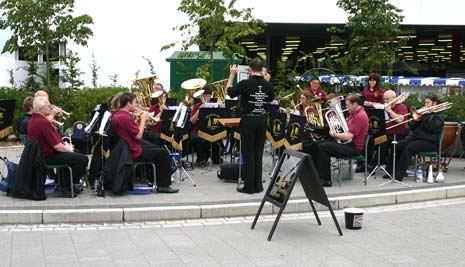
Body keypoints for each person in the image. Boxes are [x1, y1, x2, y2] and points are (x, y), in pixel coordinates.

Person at [111, 92, 178, 193]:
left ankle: (157, 175)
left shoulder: (118, 115)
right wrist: (143, 120)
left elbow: (132, 131)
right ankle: (163, 185)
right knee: (163, 153)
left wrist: (137, 122)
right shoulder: (125, 117)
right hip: (132, 149)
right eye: (134, 103)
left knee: (155, 148)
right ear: (128, 103)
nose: (136, 105)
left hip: (127, 146)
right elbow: (138, 135)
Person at [226, 57, 275, 194]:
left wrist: (232, 75)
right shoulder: (267, 84)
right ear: (262, 69)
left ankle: (249, 187)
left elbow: (229, 92)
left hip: (248, 120)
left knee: (248, 154)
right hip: (262, 120)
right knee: (258, 153)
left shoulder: (246, 83)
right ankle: (258, 185)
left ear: (250, 69)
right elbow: (270, 98)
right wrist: (267, 82)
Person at [27, 96, 87, 196]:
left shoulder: (33, 120)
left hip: (40, 155)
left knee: (76, 154)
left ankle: (64, 183)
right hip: (47, 157)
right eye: (48, 106)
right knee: (82, 159)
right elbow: (57, 146)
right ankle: (67, 186)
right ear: (41, 109)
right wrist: (69, 149)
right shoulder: (43, 122)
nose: (50, 108)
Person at [307, 94, 368, 187]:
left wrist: (335, 134)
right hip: (347, 144)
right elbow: (346, 129)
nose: (346, 107)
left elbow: (349, 136)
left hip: (353, 147)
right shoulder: (354, 114)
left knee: (323, 147)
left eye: (348, 105)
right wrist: (334, 129)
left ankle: (326, 179)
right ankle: (317, 173)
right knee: (316, 144)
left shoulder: (360, 116)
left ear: (355, 104)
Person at [394, 95, 445, 181]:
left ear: (435, 103)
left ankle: (399, 176)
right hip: (417, 138)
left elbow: (431, 128)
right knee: (398, 146)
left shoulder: (439, 116)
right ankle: (391, 171)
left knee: (408, 149)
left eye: (427, 103)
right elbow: (411, 127)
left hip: (430, 141)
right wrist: (416, 120)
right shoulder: (425, 114)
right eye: (425, 102)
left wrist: (424, 116)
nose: (425, 105)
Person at [383, 90, 408, 178]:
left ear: (394, 98)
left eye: (387, 99)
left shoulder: (402, 107)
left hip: (397, 134)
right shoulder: (384, 107)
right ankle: (370, 166)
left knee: (390, 146)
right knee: (372, 142)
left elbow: (400, 120)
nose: (385, 101)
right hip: (386, 133)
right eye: (384, 99)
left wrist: (389, 111)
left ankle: (390, 171)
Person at [189, 86, 215, 167]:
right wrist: (199, 110)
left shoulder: (214, 105)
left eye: (208, 96)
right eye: (204, 96)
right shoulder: (197, 105)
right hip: (197, 128)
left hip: (210, 128)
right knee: (196, 138)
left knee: (209, 138)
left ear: (211, 96)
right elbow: (192, 121)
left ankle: (206, 157)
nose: (206, 98)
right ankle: (200, 159)